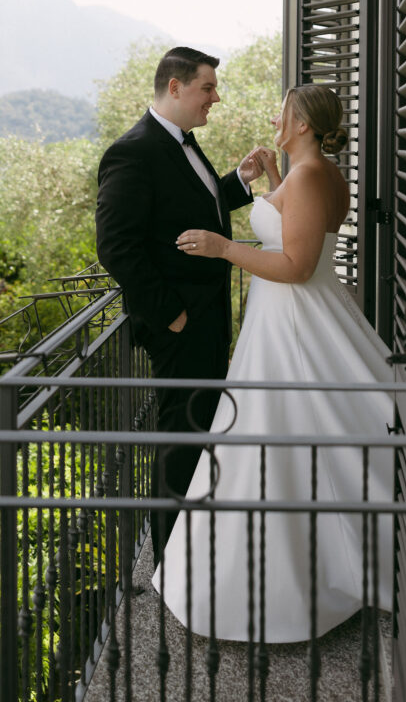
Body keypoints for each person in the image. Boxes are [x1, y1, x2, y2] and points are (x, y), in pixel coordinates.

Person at [153, 84, 394, 642]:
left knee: (277, 442)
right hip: (289, 319)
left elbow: (296, 265)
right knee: (293, 439)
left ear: (303, 124)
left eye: (283, 112)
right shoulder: (315, 175)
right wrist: (270, 183)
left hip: (293, 324)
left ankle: (284, 590)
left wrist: (223, 248)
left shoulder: (312, 177)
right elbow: (295, 226)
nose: (276, 119)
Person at [95, 46, 265, 561]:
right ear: (175, 87)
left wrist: (238, 183)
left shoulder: (182, 144)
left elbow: (198, 204)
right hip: (179, 323)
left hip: (206, 317)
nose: (215, 97)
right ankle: (172, 562)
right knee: (179, 438)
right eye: (207, 88)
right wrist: (171, 314)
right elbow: (116, 245)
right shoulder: (133, 151)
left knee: (200, 428)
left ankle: (195, 548)